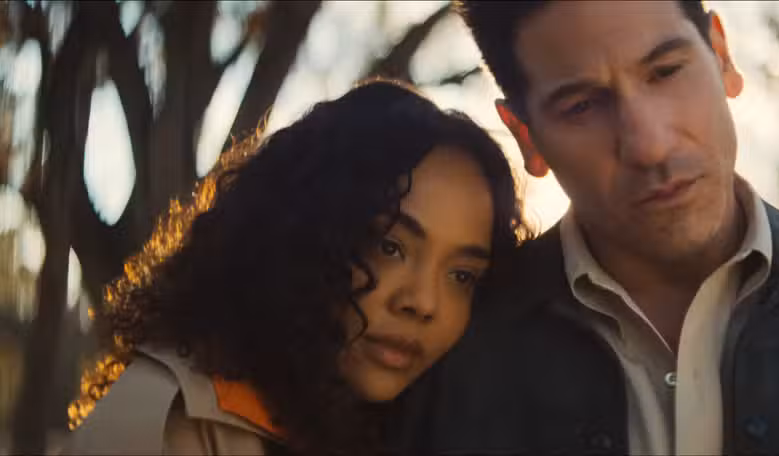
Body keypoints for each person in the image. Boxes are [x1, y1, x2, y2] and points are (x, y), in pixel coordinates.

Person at [389, 1, 779, 454]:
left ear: (722, 55)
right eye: (583, 105)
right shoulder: (454, 359)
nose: (649, 145)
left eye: (665, 71)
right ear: (527, 137)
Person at [63, 80, 528, 455]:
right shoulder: (165, 424)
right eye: (389, 247)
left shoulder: (405, 429)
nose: (423, 303)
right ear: (301, 233)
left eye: (462, 276)